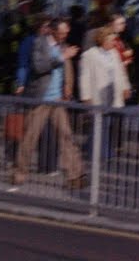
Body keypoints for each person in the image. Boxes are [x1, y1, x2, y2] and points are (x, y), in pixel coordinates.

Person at [12, 18, 85, 190]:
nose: (64, 35)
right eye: (61, 32)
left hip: (57, 99)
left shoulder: (62, 45)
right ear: (52, 31)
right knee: (30, 137)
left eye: (66, 32)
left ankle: (75, 175)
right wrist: (62, 57)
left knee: (67, 137)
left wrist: (68, 85)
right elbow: (39, 67)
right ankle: (19, 172)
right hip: (40, 97)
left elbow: (66, 67)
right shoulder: (39, 43)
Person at [77, 27, 130, 161]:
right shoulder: (89, 55)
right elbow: (84, 77)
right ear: (103, 40)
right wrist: (86, 97)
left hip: (112, 91)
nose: (114, 43)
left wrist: (126, 87)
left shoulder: (114, 53)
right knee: (98, 123)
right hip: (98, 92)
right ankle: (95, 153)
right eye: (111, 40)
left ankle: (105, 151)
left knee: (107, 123)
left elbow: (120, 72)